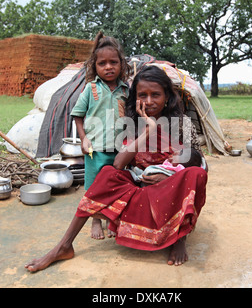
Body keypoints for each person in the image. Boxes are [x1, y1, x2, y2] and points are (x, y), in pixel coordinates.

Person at [25, 65, 208, 272]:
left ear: (167, 96)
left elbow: (198, 162)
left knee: (197, 174)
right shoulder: (133, 122)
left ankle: (179, 239)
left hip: (170, 187)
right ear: (136, 98)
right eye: (143, 95)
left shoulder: (182, 123)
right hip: (140, 185)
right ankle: (64, 245)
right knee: (107, 174)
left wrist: (168, 177)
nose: (149, 101)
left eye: (155, 95)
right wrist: (148, 130)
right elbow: (120, 164)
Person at [70, 31, 130, 240]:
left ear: (121, 64)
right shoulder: (91, 88)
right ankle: (95, 219)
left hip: (120, 150)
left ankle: (111, 219)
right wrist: (84, 138)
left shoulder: (125, 90)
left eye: (113, 62)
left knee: (116, 185)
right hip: (96, 149)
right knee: (95, 186)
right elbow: (77, 115)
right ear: (94, 66)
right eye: (102, 63)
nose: (108, 67)